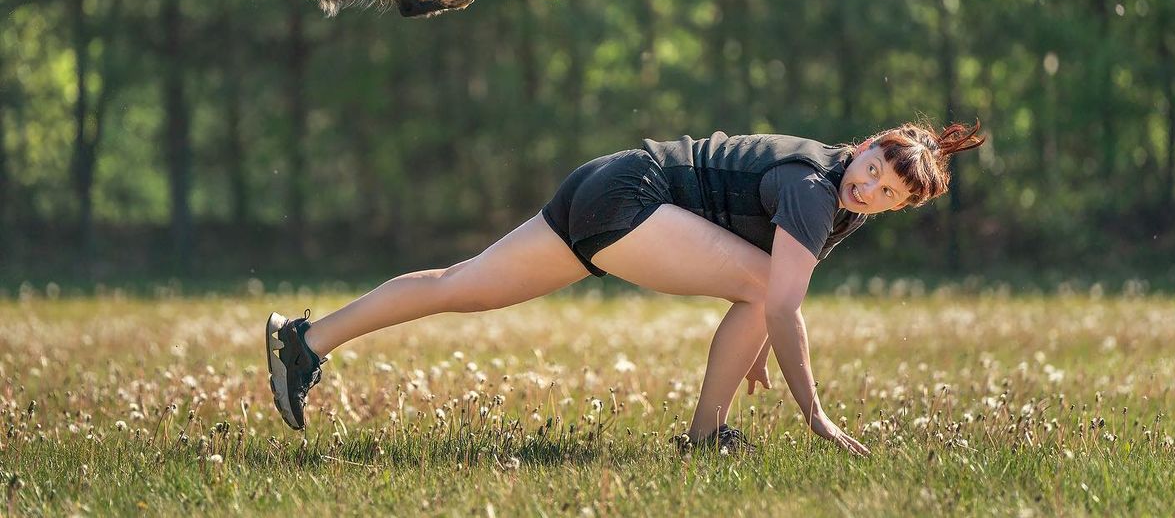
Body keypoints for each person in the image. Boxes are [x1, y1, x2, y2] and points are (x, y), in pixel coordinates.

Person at [266, 120, 984, 455]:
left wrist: (756, 331)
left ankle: (306, 340)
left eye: (887, 191)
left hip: (607, 179)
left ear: (899, 206)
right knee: (767, 289)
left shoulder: (836, 195)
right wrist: (815, 412)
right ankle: (705, 436)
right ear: (862, 144)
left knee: (463, 283)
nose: (869, 185)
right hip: (632, 200)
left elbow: (765, 287)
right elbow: (782, 296)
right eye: (871, 167)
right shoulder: (814, 189)